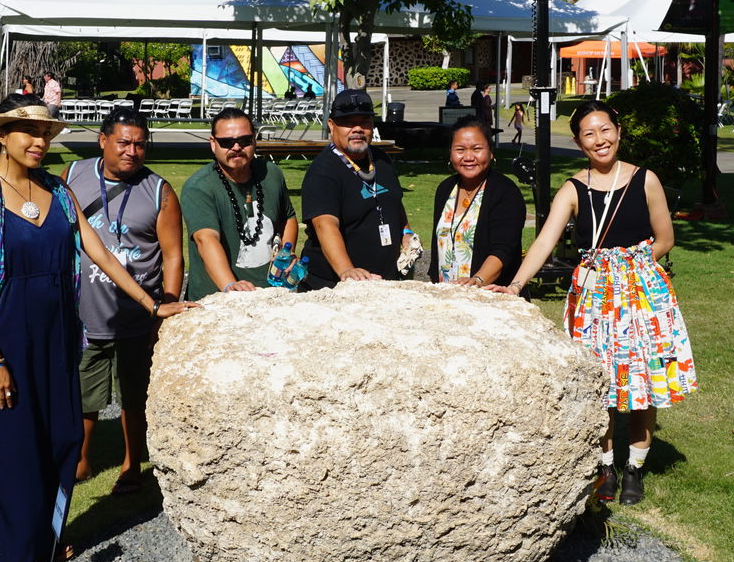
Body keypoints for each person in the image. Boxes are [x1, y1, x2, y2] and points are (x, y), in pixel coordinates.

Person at [0, 95, 195, 562]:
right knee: (17, 447)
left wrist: (153, 303)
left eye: (45, 134)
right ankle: (23, 554)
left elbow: (101, 254)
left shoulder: (59, 194)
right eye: (28, 132)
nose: (39, 142)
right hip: (5, 337)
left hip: (60, 333)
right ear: (1, 136)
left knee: (61, 437)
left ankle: (51, 536)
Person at [489, 100, 697, 506]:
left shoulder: (646, 180)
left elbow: (665, 239)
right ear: (579, 141)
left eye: (605, 130)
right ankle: (604, 466)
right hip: (594, 299)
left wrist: (630, 268)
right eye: (589, 133)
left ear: (618, 131)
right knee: (597, 383)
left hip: (641, 295)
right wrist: (514, 286)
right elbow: (545, 241)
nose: (599, 140)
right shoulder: (573, 188)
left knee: (643, 380)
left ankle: (635, 467)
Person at [62, 108, 183, 493]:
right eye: (124, 143)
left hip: (137, 314)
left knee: (135, 393)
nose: (132, 151)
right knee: (83, 393)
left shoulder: (159, 190)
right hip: (85, 313)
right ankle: (80, 458)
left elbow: (173, 255)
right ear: (103, 141)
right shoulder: (72, 175)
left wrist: (165, 307)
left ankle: (132, 464)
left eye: (140, 144)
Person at [299, 88, 417, 289]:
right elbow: (325, 225)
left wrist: (406, 232)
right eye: (347, 123)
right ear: (331, 125)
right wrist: (347, 270)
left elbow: (394, 202)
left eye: (364, 122)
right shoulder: (323, 172)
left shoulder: (381, 159)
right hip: (335, 284)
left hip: (384, 281)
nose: (357, 129)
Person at [182, 107, 299, 298]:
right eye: (227, 142)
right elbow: (206, 239)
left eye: (244, 140)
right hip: (217, 299)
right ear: (213, 143)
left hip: (273, 294)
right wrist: (230, 285)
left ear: (254, 140)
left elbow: (288, 217)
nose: (236, 147)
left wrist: (287, 252)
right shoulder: (199, 187)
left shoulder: (271, 174)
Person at [428, 117, 525, 287]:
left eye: (477, 149)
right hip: (447, 295)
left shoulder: (505, 192)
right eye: (460, 149)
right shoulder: (445, 189)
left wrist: (477, 281)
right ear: (450, 153)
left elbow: (503, 249)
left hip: (488, 294)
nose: (468, 157)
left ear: (491, 152)